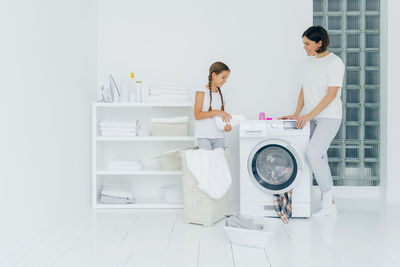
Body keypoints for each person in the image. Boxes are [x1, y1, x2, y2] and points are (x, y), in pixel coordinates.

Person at [279, 26, 345, 217]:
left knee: (315, 153)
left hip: (329, 116)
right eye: (304, 43)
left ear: (319, 43)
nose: (304, 47)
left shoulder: (334, 62)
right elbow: (304, 89)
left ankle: (328, 204)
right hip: (310, 115)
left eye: (307, 44)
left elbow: (331, 95)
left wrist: (308, 116)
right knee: (302, 152)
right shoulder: (308, 63)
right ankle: (308, 200)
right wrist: (297, 113)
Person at [194, 61, 232, 150]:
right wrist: (217, 112)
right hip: (204, 136)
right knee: (206, 163)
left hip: (219, 136)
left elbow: (221, 117)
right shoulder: (201, 92)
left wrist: (226, 126)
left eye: (226, 78)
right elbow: (197, 115)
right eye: (223, 77)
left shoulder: (222, 95)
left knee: (218, 163)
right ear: (214, 75)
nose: (225, 81)